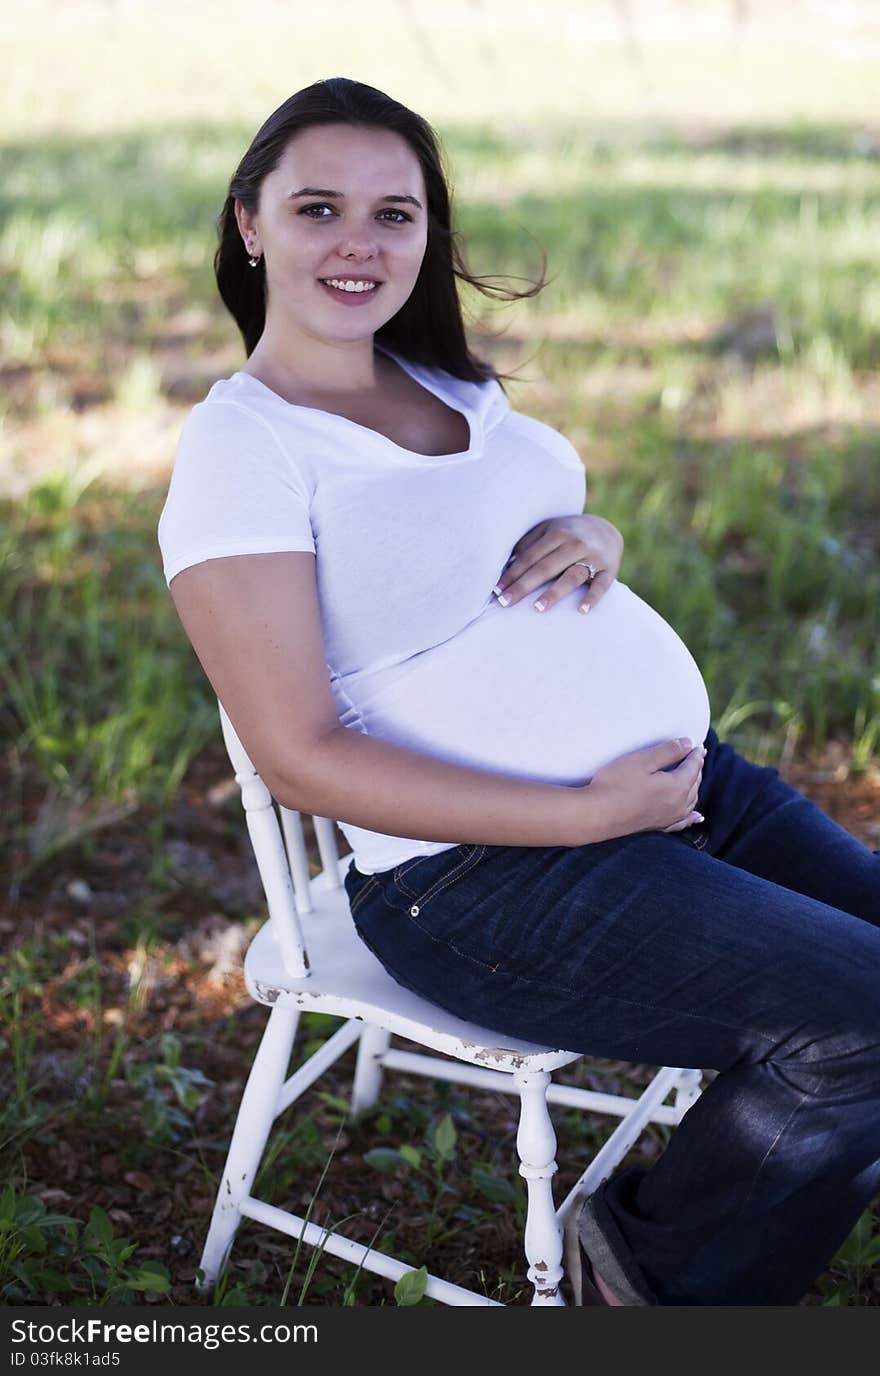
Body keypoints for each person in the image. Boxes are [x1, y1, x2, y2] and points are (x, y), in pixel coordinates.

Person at [157, 77, 880, 1307]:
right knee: (860, 1023)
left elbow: (492, 529)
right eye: (318, 206)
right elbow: (299, 753)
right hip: (483, 878)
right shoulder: (246, 451)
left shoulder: (446, 385)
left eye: (397, 213)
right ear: (249, 223)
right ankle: (646, 1277)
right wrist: (587, 814)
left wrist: (588, 528)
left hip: (683, 794)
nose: (360, 243)